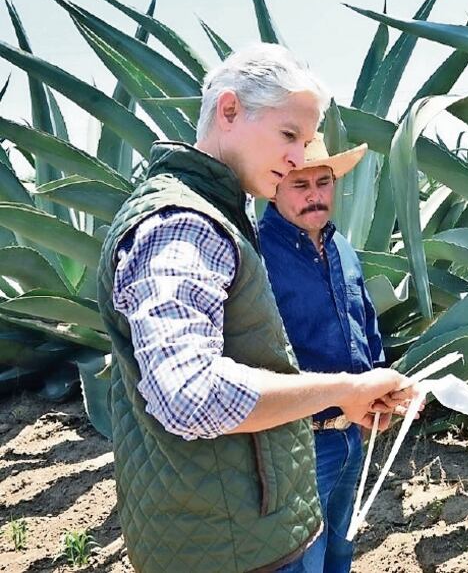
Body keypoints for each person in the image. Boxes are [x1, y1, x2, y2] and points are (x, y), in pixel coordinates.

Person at [96, 43, 414, 573]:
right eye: (289, 135)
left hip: (238, 518)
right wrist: (344, 391)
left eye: (309, 143)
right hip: (228, 544)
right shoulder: (183, 225)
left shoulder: (220, 217)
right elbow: (191, 397)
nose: (298, 158)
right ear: (228, 111)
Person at [258, 136, 378, 572]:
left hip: (349, 435)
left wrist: (378, 389)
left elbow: (364, 322)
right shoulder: (256, 255)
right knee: (300, 559)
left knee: (340, 547)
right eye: (299, 183)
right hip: (297, 441)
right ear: (274, 187)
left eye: (323, 182)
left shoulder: (341, 247)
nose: (314, 194)